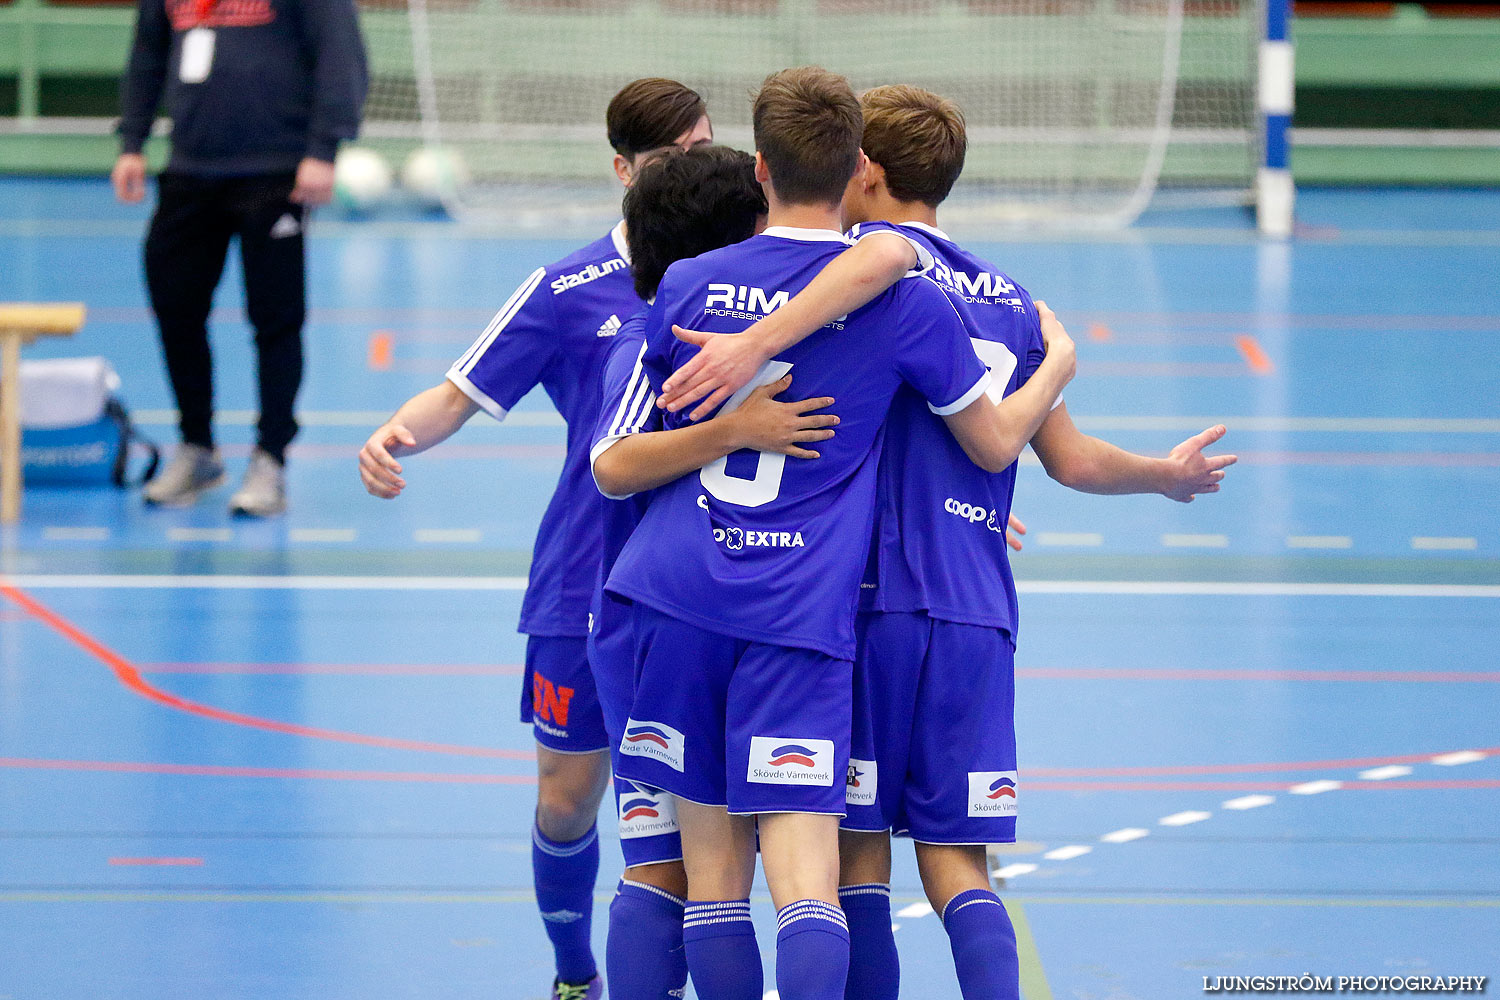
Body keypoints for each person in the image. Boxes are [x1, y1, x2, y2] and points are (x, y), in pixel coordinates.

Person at [658, 83, 1237, 1000]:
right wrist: (1162, 471)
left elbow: (877, 276)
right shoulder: (1010, 299)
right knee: (959, 862)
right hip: (977, 609)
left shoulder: (858, 271)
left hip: (866, 603)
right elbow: (1072, 459)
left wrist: (747, 343)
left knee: (855, 867)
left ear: (866, 173)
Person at [596, 66, 1075, 1000]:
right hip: (803, 613)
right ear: (855, 165)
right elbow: (985, 436)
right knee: (811, 882)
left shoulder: (690, 282)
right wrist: (1058, 359)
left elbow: (613, 462)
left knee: (701, 876)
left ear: (761, 168)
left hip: (673, 591)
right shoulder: (902, 301)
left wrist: (732, 410)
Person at [357, 78, 712, 1000]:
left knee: (688, 809)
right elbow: (459, 391)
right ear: (624, 169)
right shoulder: (567, 288)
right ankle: (574, 974)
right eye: (669, 157)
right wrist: (396, 433)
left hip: (706, 578)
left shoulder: (743, 276)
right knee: (567, 799)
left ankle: (668, 978)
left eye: (703, 148)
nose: (689, 171)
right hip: (585, 577)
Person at [114, 0, 368, 516]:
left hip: (276, 171)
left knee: (276, 320)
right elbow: (147, 53)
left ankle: (270, 458)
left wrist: (323, 149)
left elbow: (341, 54)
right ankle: (197, 447)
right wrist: (132, 141)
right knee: (174, 302)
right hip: (191, 171)